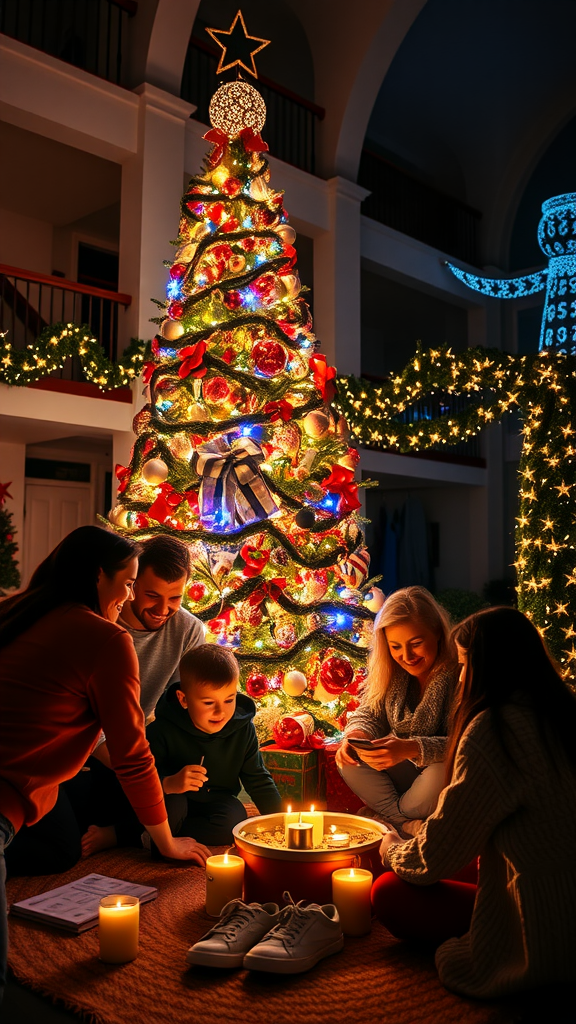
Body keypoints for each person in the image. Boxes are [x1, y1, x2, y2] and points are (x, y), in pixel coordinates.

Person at [0, 526, 209, 1005]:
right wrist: (167, 843)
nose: (134, 596)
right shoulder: (105, 637)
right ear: (102, 578)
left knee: (66, 834)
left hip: (35, 788)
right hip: (14, 794)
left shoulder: (16, 609)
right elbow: (132, 756)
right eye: (132, 583)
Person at [372, 607, 576, 998]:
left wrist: (392, 850)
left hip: (545, 918)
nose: (461, 676)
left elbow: (432, 860)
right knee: (465, 861)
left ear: (491, 666)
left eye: (465, 664)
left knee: (387, 892)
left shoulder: (495, 729)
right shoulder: (560, 711)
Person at [80, 534, 205, 856]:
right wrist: (152, 780)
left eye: (175, 598)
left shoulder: (189, 630)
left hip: (138, 753)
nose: (164, 609)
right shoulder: (100, 625)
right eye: (152, 595)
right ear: (131, 584)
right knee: (66, 840)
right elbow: (91, 732)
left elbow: (180, 709)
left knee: (184, 808)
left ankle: (120, 832)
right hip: (92, 755)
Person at [336, 586, 458, 837]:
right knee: (348, 759)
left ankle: (391, 818)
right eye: (395, 646)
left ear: (435, 632)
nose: (407, 656)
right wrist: (355, 735)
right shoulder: (391, 672)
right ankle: (405, 824)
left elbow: (470, 743)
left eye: (416, 643)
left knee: (438, 773)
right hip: (404, 771)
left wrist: (412, 747)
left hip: (442, 772)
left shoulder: (459, 673)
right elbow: (369, 713)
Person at [146, 644, 282, 844]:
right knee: (171, 807)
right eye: (209, 703)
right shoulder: (162, 730)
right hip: (169, 799)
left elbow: (258, 779)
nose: (220, 712)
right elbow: (139, 779)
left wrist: (281, 821)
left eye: (229, 700)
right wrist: (168, 783)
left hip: (214, 801)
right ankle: (146, 837)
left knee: (234, 820)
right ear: (184, 699)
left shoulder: (242, 729)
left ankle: (178, 837)